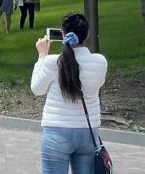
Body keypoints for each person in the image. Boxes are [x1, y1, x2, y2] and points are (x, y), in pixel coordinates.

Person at [31, 13, 107, 174]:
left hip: (57, 131)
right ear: (87, 34)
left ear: (62, 34)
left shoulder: (53, 61)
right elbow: (97, 85)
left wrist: (41, 56)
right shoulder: (100, 62)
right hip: (88, 132)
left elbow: (37, 89)